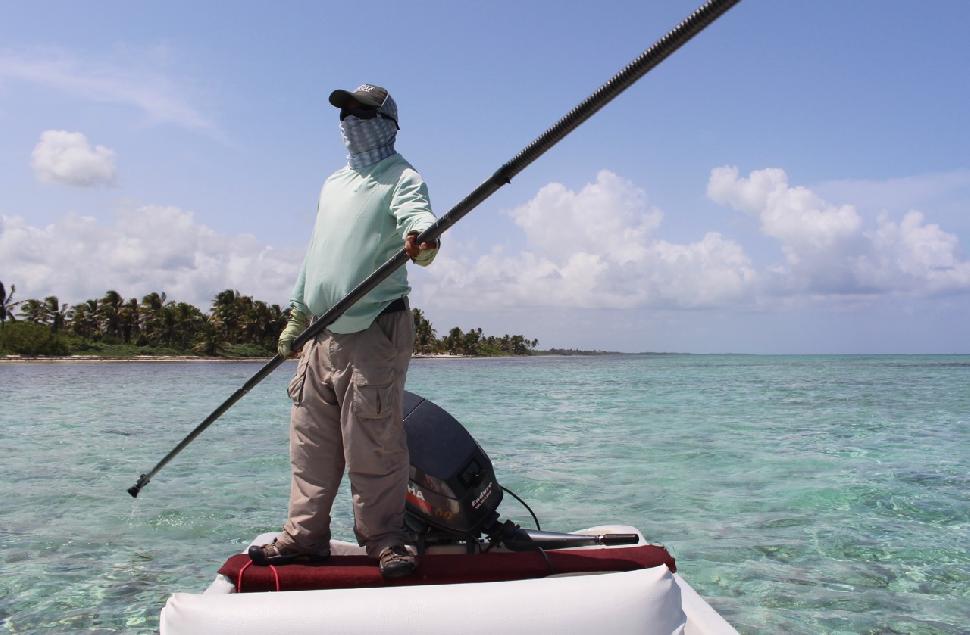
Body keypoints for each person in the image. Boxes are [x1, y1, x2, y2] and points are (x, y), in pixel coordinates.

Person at [248, 84, 439, 579]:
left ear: (387, 122)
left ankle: (385, 539)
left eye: (362, 112)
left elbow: (417, 219)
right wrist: (297, 313)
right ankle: (304, 538)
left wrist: (423, 238)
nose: (352, 120)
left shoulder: (403, 175)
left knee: (373, 441)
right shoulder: (332, 182)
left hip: (375, 327)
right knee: (310, 444)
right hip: (320, 334)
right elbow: (317, 252)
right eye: (346, 112)